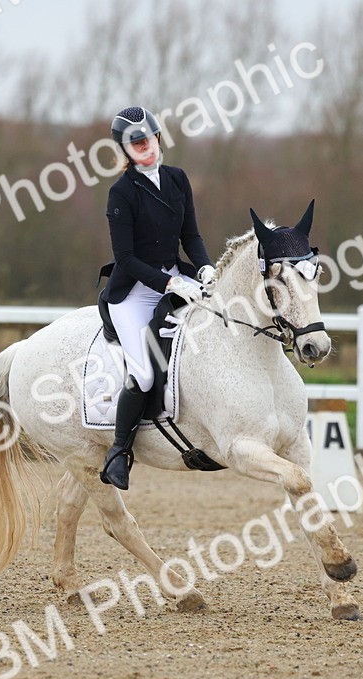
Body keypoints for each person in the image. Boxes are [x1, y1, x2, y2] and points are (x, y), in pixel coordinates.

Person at [99, 106, 216, 490]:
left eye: (148, 139)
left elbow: (191, 236)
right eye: (135, 143)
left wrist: (204, 270)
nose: (144, 147)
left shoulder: (178, 179)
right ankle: (119, 452)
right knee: (145, 373)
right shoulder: (122, 193)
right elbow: (126, 259)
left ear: (158, 139)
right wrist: (167, 286)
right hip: (134, 292)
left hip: (176, 276)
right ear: (125, 151)